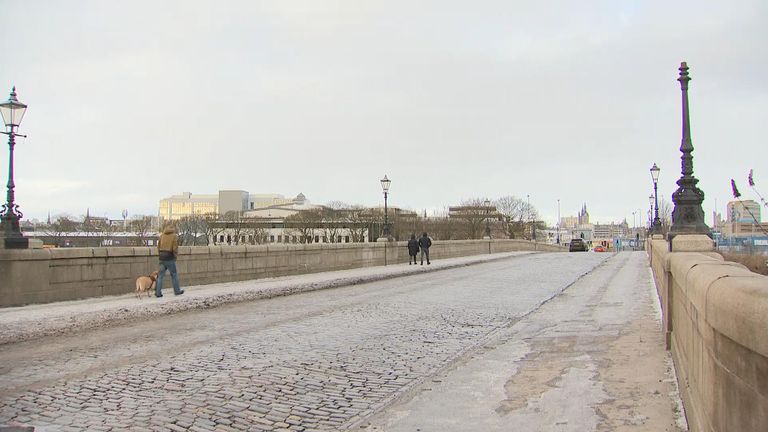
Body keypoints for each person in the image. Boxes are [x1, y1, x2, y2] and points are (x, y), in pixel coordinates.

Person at [156, 224, 184, 297]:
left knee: (160, 276)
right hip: (169, 257)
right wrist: (175, 256)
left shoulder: (162, 235)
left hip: (162, 257)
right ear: (173, 229)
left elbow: (158, 246)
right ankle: (177, 291)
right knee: (174, 275)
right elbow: (175, 247)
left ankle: (158, 292)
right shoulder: (174, 236)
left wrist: (160, 254)